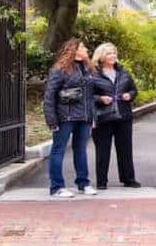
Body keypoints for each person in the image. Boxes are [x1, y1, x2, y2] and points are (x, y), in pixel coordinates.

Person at [44, 38, 98, 199]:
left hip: (83, 117)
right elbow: (49, 96)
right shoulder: (60, 69)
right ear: (74, 50)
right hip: (65, 116)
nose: (86, 49)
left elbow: (89, 96)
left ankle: (84, 183)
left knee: (81, 150)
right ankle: (57, 187)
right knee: (58, 150)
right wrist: (51, 119)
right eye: (83, 47)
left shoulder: (87, 69)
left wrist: (92, 116)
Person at [90, 42, 142, 190]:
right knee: (102, 150)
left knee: (125, 149)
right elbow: (87, 96)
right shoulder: (93, 74)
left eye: (114, 53)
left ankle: (128, 179)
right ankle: (101, 182)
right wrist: (100, 99)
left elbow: (134, 90)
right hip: (103, 117)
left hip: (123, 116)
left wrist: (129, 95)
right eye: (109, 53)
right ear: (101, 56)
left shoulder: (123, 72)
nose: (113, 55)